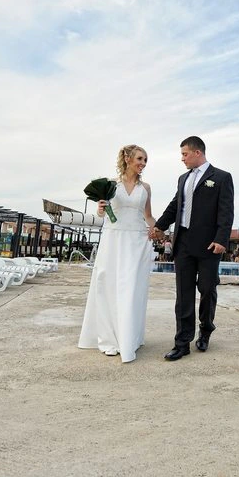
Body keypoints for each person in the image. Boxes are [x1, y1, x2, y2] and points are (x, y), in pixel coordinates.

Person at [150, 136, 234, 360]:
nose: (182, 158)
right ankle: (182, 342)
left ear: (198, 153)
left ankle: (205, 330)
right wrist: (159, 226)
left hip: (209, 244)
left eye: (185, 154)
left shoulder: (221, 177)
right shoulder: (183, 179)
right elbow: (175, 205)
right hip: (183, 243)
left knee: (207, 289)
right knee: (183, 294)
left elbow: (226, 211)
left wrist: (221, 239)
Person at [77, 144, 157, 363]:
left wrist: (160, 229)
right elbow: (102, 213)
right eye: (140, 159)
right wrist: (100, 209)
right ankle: (109, 338)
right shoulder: (111, 185)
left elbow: (148, 216)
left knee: (131, 288)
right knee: (109, 286)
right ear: (127, 158)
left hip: (137, 241)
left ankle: (129, 337)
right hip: (113, 239)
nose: (143, 163)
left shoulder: (146, 188)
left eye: (145, 160)